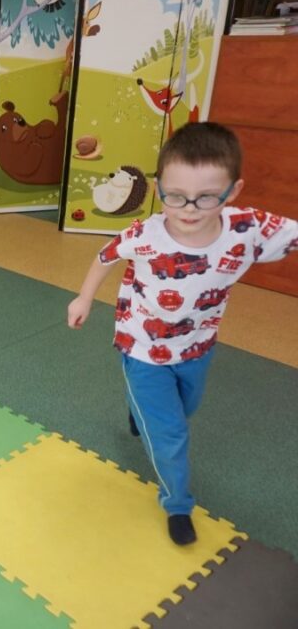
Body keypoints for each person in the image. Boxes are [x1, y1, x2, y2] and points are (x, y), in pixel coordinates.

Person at [67, 122, 297, 546]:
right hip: (142, 347)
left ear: (233, 190)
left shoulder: (247, 229)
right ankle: (177, 504)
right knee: (171, 435)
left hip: (197, 346)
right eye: (175, 196)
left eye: (206, 197)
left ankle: (138, 413)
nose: (189, 209)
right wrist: (83, 298)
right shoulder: (146, 235)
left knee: (186, 408)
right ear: (159, 189)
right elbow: (106, 256)